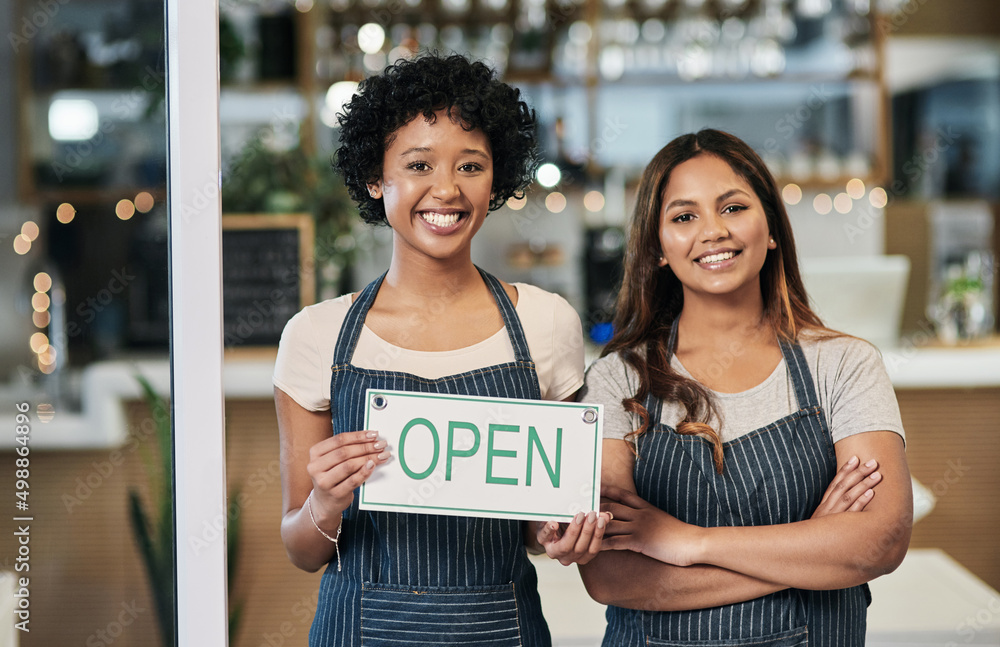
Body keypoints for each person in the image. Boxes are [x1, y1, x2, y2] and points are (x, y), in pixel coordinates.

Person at [273, 53, 606, 647]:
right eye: (418, 164)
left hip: (501, 630)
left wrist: (561, 533)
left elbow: (536, 525)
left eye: (470, 165)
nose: (446, 189)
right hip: (359, 631)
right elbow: (301, 549)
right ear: (376, 179)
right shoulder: (316, 335)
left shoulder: (546, 325)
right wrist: (325, 501)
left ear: (495, 177)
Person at [577, 129, 912, 646]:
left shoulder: (844, 365)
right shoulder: (618, 379)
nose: (712, 231)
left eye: (732, 207)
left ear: (772, 229)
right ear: (659, 247)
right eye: (684, 216)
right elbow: (611, 576)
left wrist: (686, 541)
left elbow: (880, 542)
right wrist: (811, 549)